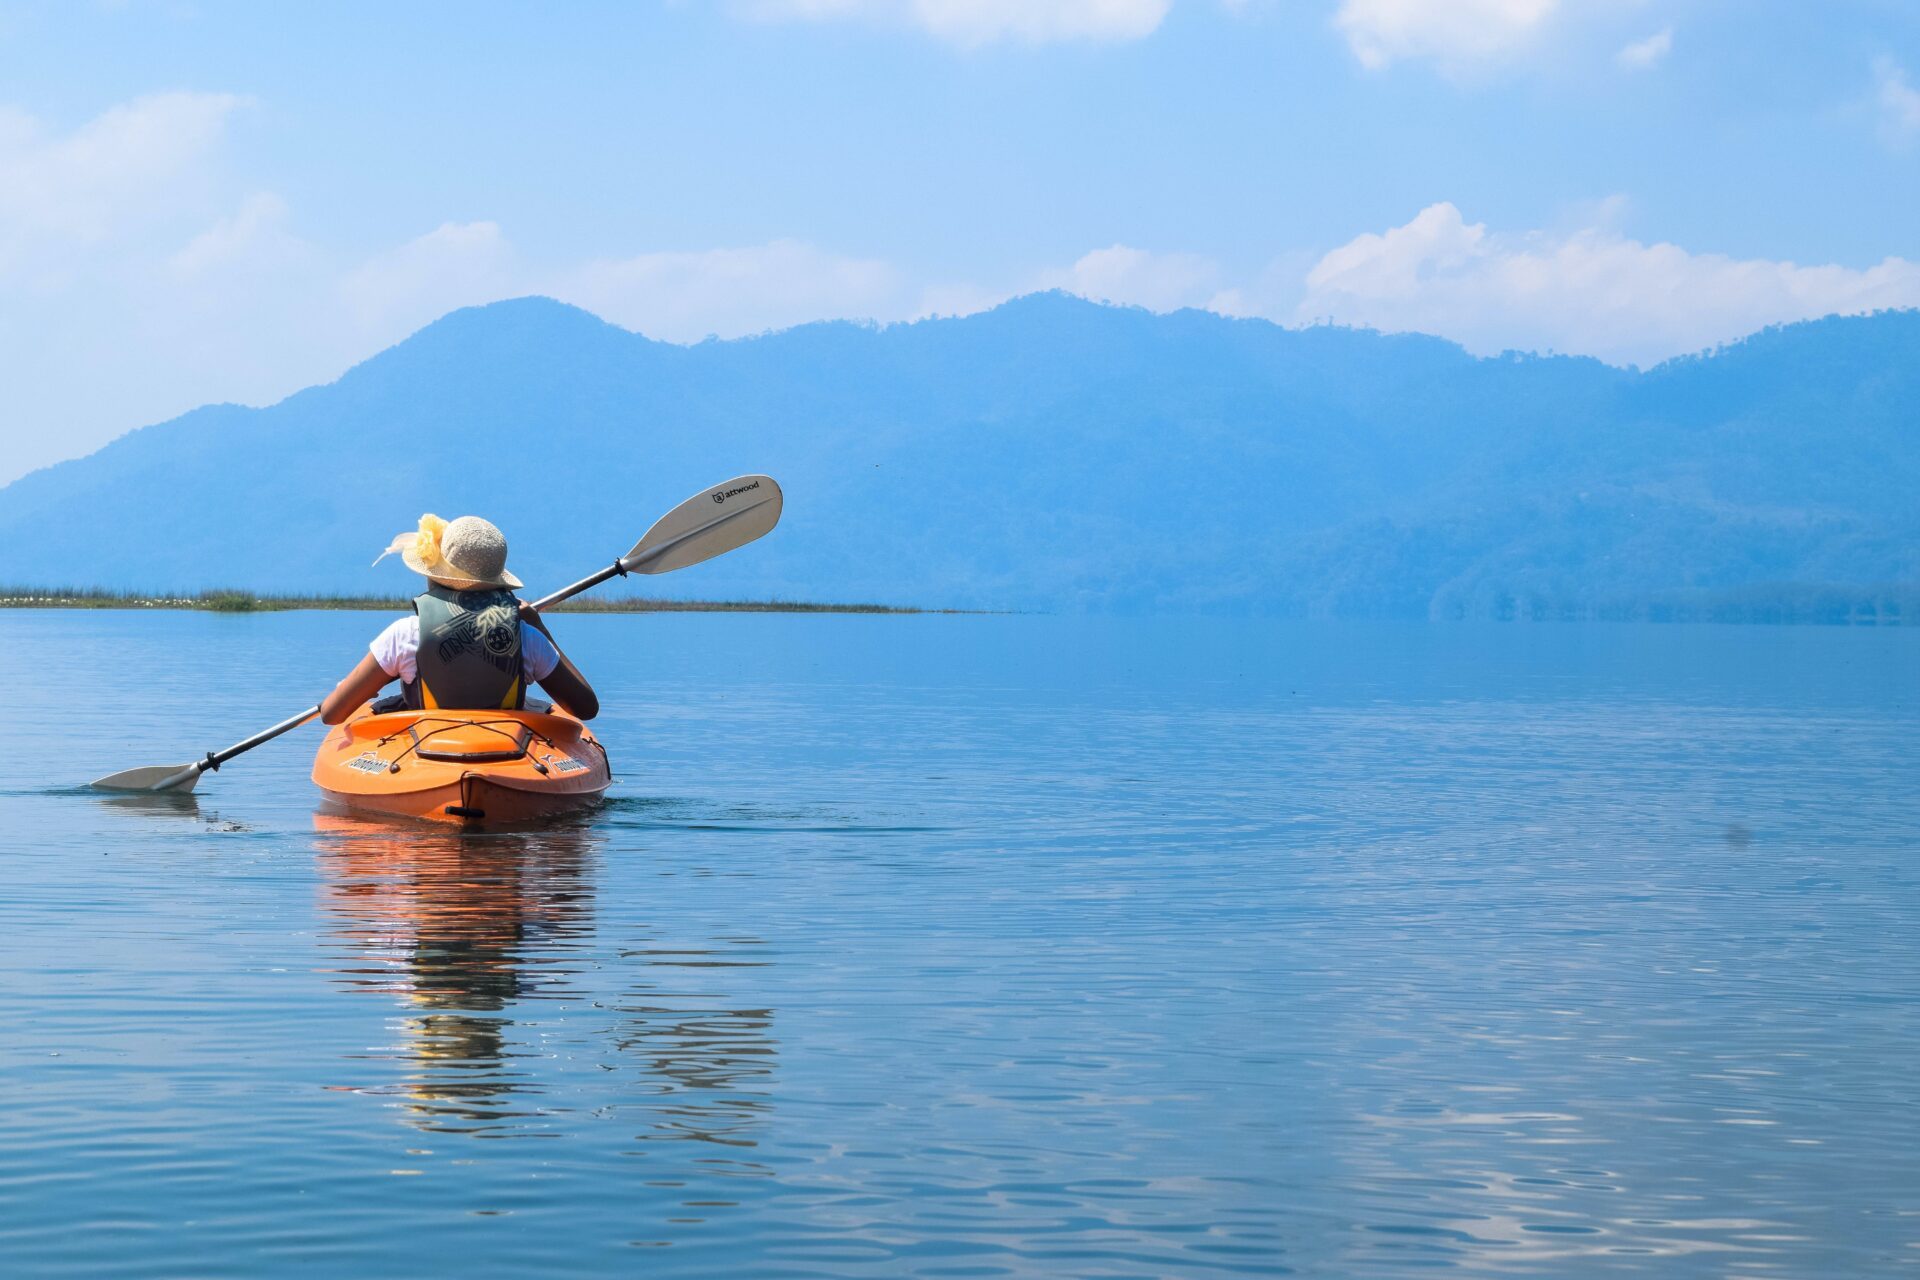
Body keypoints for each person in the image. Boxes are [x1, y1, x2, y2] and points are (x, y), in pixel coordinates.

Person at [319, 514, 598, 725]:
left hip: (425, 754)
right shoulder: (527, 636)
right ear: (496, 582)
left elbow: (332, 714)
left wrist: (373, 684)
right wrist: (538, 627)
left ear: (433, 575)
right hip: (506, 751)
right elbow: (585, 708)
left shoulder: (403, 635)